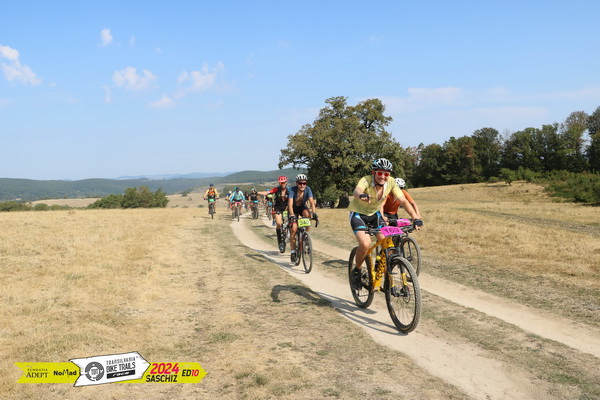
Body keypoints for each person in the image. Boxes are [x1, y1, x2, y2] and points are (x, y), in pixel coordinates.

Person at [348, 158, 423, 290]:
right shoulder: (366, 180)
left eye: (386, 174)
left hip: (374, 215)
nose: (383, 176)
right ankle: (357, 271)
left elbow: (404, 201)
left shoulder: (391, 182)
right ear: (374, 173)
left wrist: (416, 217)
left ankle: (387, 277)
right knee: (365, 244)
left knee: (388, 245)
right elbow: (357, 190)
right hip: (358, 214)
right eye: (379, 173)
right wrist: (361, 195)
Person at [287, 174, 318, 262]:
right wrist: (292, 215)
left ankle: (306, 236)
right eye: (300, 183)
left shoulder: (308, 189)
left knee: (308, 214)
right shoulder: (292, 190)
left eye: (304, 183)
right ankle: (293, 251)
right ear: (297, 183)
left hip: (302, 208)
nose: (302, 185)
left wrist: (314, 213)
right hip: (293, 209)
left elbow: (312, 202)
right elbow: (290, 204)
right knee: (293, 229)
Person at [259, 176, 290, 252]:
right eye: (281, 183)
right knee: (279, 224)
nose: (282, 184)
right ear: (279, 183)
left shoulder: (289, 190)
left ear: (286, 182)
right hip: (278, 208)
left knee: (291, 223)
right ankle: (280, 242)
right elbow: (267, 192)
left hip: (287, 208)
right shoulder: (276, 189)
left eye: (284, 182)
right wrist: (258, 192)